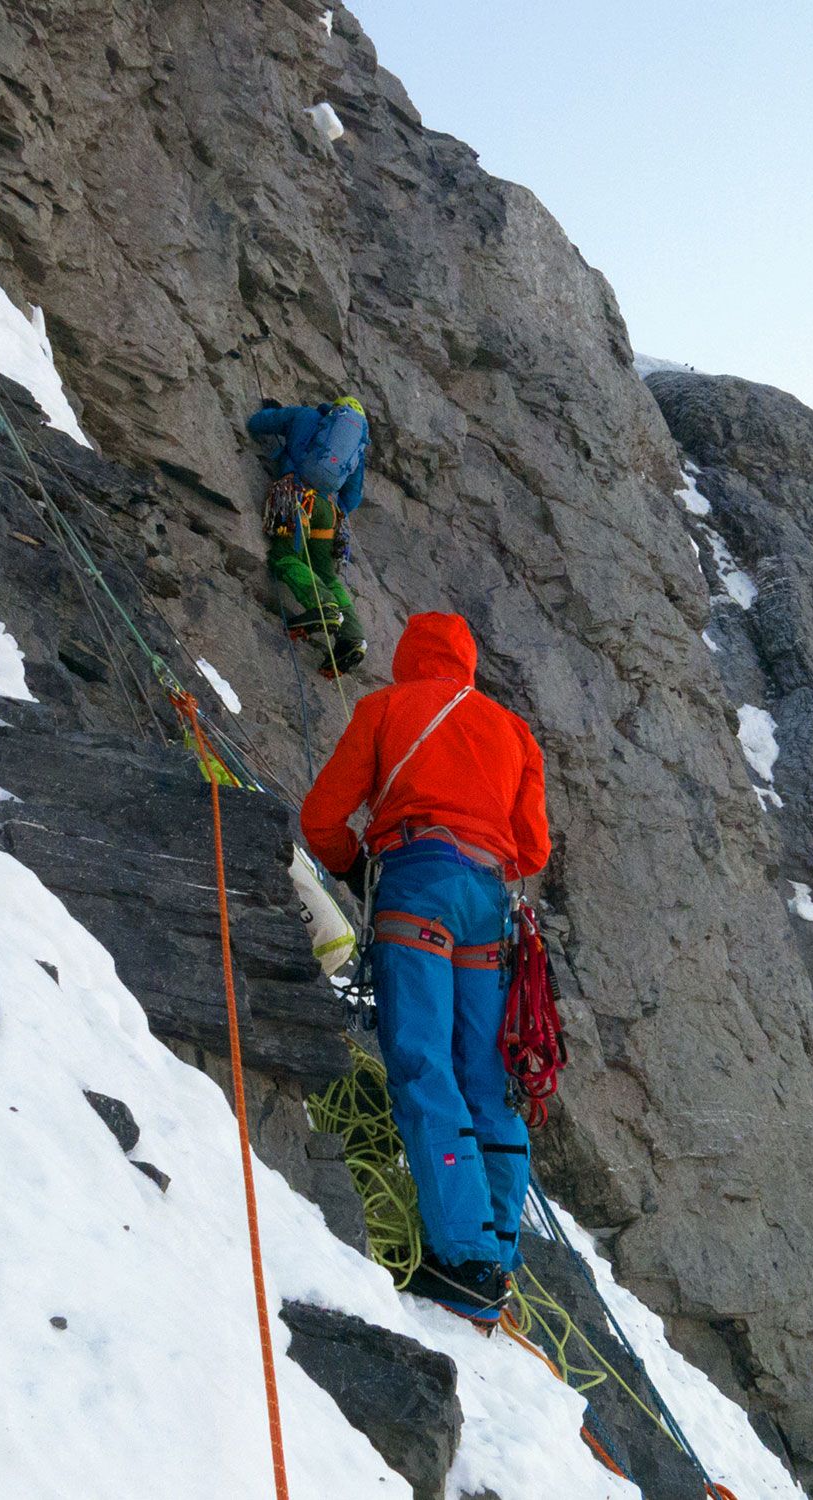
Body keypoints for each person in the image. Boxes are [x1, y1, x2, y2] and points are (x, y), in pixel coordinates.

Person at [300, 612, 552, 1321]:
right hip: (488, 907)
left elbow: (322, 817)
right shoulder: (514, 732)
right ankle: (496, 1251)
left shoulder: (385, 708)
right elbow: (531, 851)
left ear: (411, 657)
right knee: (485, 1077)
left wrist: (357, 872)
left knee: (422, 1063)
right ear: (468, 664)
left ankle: (463, 1261)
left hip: (416, 886)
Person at [246, 395, 370, 680]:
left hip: (297, 495)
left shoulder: (306, 416)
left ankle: (322, 606)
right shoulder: (356, 450)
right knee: (326, 574)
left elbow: (257, 424)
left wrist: (275, 417)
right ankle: (353, 637)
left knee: (284, 556)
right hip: (327, 510)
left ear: (333, 410)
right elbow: (352, 496)